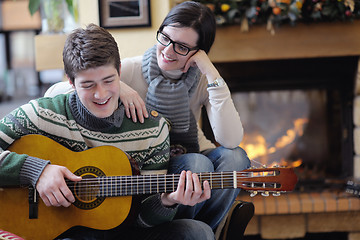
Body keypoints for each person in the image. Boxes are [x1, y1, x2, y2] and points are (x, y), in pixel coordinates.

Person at [45, 0, 251, 233]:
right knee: (196, 164)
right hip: (153, 166)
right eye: (165, 38)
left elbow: (231, 140)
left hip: (190, 153)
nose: (168, 50)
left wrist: (210, 71)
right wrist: (119, 86)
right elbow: (57, 92)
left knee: (235, 158)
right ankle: (177, 227)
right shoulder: (130, 70)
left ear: (199, 52)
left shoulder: (202, 79)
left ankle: (207, 230)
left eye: (182, 47)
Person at [0, 24, 215, 240]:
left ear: (120, 72)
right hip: (63, 232)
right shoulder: (41, 113)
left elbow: (142, 220)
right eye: (88, 85)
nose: (100, 94)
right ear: (71, 82)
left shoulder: (152, 129)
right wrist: (36, 172)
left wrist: (168, 201)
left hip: (126, 232)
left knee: (198, 232)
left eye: (109, 81)